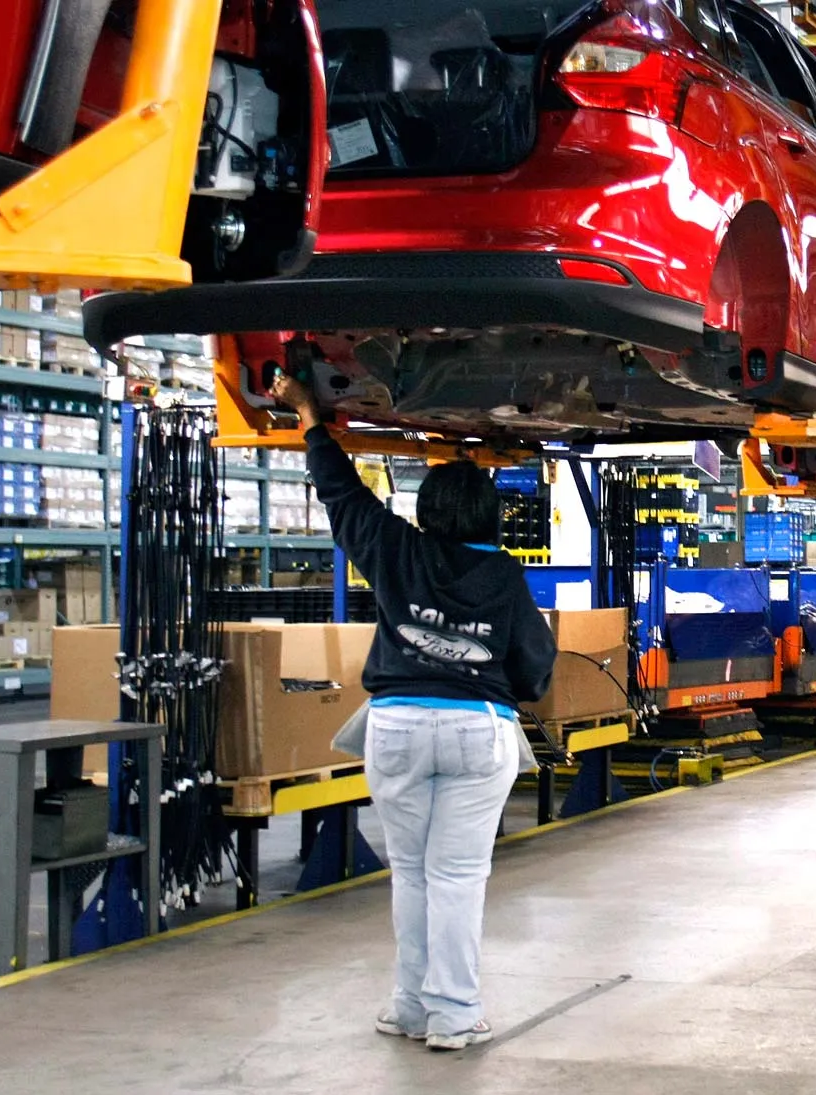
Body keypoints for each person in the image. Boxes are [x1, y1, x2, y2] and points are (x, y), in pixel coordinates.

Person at [273, 375, 557, 1052]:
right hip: (475, 731)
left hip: (395, 724)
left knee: (412, 872)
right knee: (457, 875)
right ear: (490, 516)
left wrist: (314, 420)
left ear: (426, 509)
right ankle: (453, 1016)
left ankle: (407, 1006)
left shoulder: (396, 549)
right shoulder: (506, 577)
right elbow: (536, 668)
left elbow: (342, 495)